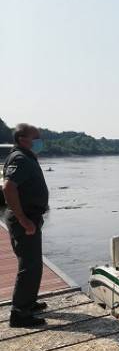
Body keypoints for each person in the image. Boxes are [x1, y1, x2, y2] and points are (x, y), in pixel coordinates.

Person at [3, 124, 49, 327]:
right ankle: (19, 314)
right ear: (23, 139)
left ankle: (28, 303)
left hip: (30, 218)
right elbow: (9, 187)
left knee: (34, 264)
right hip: (24, 220)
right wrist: (23, 218)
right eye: (36, 137)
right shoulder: (20, 158)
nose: (40, 140)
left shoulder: (26, 156)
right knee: (29, 266)